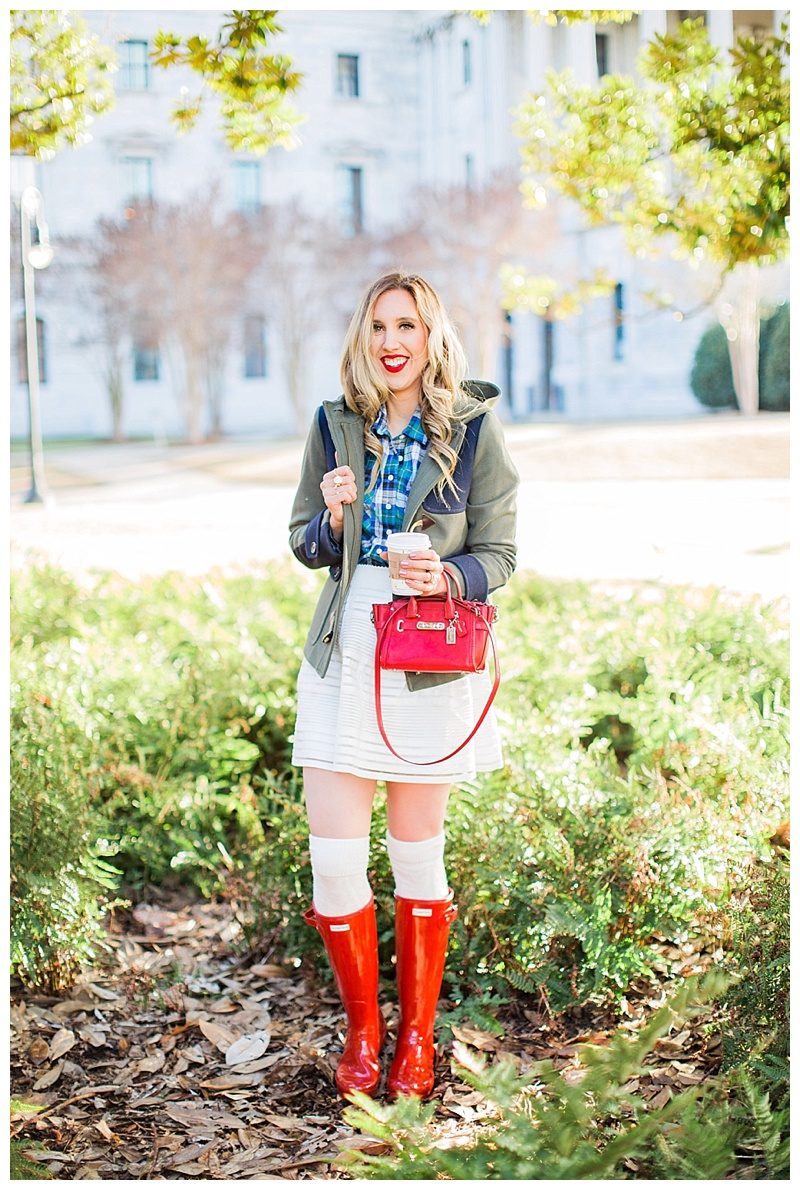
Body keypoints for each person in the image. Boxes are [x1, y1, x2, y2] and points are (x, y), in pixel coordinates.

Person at [288, 270, 519, 1101]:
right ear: (364, 336)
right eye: (380, 326)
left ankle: (417, 1040)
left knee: (419, 857)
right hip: (345, 650)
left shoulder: (472, 428)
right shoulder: (334, 423)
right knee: (335, 861)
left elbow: (501, 554)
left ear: (431, 339)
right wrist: (336, 520)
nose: (392, 342)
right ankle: (364, 1033)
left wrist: (447, 579)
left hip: (424, 652)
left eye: (408, 327)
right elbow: (302, 543)